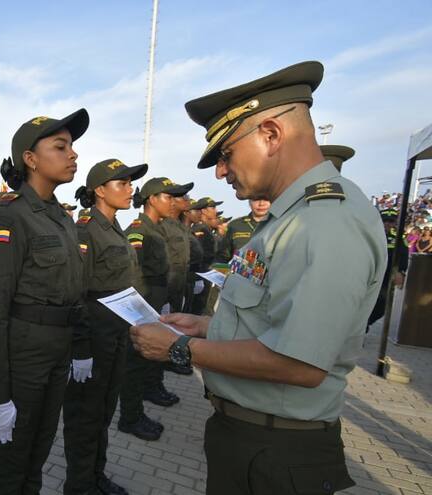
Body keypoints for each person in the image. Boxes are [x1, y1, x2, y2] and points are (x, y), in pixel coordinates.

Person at [131, 60, 386, 495]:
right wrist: (210, 327)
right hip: (256, 440)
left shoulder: (324, 222)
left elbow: (299, 363)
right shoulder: (294, 217)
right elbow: (277, 320)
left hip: (277, 453)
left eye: (226, 154)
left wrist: (180, 348)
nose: (220, 172)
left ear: (271, 134)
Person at [0, 109, 89, 494]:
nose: (72, 154)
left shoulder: (61, 219)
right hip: (23, 358)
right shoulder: (11, 218)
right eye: (60, 147)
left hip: (57, 353)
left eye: (72, 147)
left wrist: (79, 348)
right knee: (11, 466)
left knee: (37, 457)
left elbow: (74, 291)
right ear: (30, 159)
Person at [64, 158, 146, 495]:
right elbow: (75, 294)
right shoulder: (85, 230)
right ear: (100, 190)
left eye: (130, 183)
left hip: (115, 337)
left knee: (103, 414)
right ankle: (79, 485)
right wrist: (80, 348)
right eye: (122, 183)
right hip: (93, 340)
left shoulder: (115, 228)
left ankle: (96, 476)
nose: (130, 189)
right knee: (85, 418)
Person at [119, 177, 190, 441]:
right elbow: (133, 274)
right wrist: (141, 314)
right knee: (135, 364)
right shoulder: (139, 230)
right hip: (143, 310)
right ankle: (130, 416)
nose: (172, 202)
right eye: (167, 197)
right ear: (151, 199)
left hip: (158, 305)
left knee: (150, 359)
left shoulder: (160, 228)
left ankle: (149, 392)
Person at [160, 184, 195, 314]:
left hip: (180, 284)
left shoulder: (180, 226)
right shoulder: (163, 225)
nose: (188, 200)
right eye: (184, 196)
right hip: (167, 287)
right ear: (172, 202)